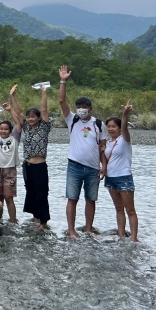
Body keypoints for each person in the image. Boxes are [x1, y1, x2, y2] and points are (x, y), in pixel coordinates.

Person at [59, 65, 107, 238]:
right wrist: (63, 81)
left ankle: (88, 229)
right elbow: (62, 101)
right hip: (74, 166)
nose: (81, 109)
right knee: (72, 199)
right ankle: (71, 231)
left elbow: (102, 147)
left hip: (93, 168)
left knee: (91, 199)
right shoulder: (72, 119)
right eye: (79, 106)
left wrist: (104, 165)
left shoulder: (99, 124)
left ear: (91, 109)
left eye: (84, 106)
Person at [11, 84, 52, 231]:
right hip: (27, 166)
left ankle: (43, 223)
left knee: (42, 194)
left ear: (39, 118)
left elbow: (45, 109)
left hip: (40, 166)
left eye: (33, 116)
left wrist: (43, 93)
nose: (30, 118)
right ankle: (36, 219)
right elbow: (19, 111)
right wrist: (13, 96)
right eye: (28, 117)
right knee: (31, 193)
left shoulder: (44, 127)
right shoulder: (26, 127)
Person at [105, 101, 137, 242]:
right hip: (110, 178)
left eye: (114, 126)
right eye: (109, 127)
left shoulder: (124, 139)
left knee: (130, 209)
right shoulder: (108, 143)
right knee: (118, 208)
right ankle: (121, 234)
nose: (111, 129)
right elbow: (105, 159)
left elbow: (125, 128)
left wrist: (125, 114)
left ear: (119, 128)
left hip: (124, 177)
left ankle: (134, 238)